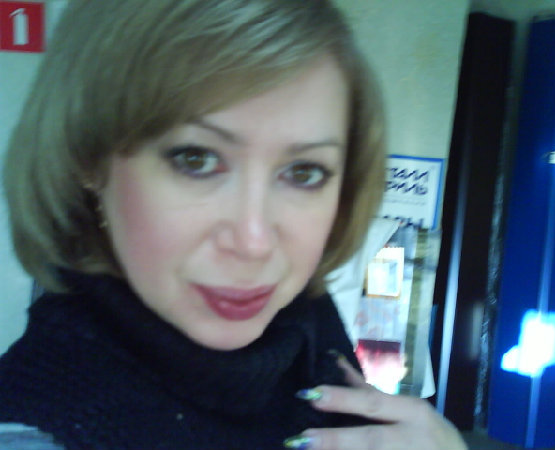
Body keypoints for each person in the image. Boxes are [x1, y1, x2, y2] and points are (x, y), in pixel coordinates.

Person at [0, 1, 467, 449]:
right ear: (88, 160)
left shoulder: (309, 337)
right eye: (196, 160)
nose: (253, 242)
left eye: (304, 172)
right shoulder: (37, 428)